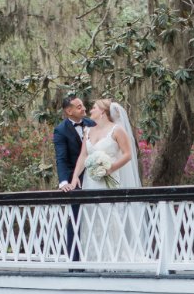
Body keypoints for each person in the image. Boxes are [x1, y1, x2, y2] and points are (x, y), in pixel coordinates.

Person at [70, 99, 145, 262]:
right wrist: (75, 177)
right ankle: (94, 257)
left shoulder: (117, 130)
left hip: (109, 178)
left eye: (94, 108)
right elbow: (83, 155)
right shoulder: (88, 131)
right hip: (91, 180)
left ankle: (115, 256)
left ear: (103, 112)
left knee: (109, 215)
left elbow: (127, 154)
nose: (90, 111)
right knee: (92, 216)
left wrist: (110, 168)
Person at [53, 94, 90, 192]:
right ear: (69, 111)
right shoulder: (60, 130)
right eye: (79, 107)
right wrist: (64, 182)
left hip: (96, 177)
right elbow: (61, 158)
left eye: (83, 105)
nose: (84, 108)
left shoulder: (92, 124)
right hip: (75, 181)